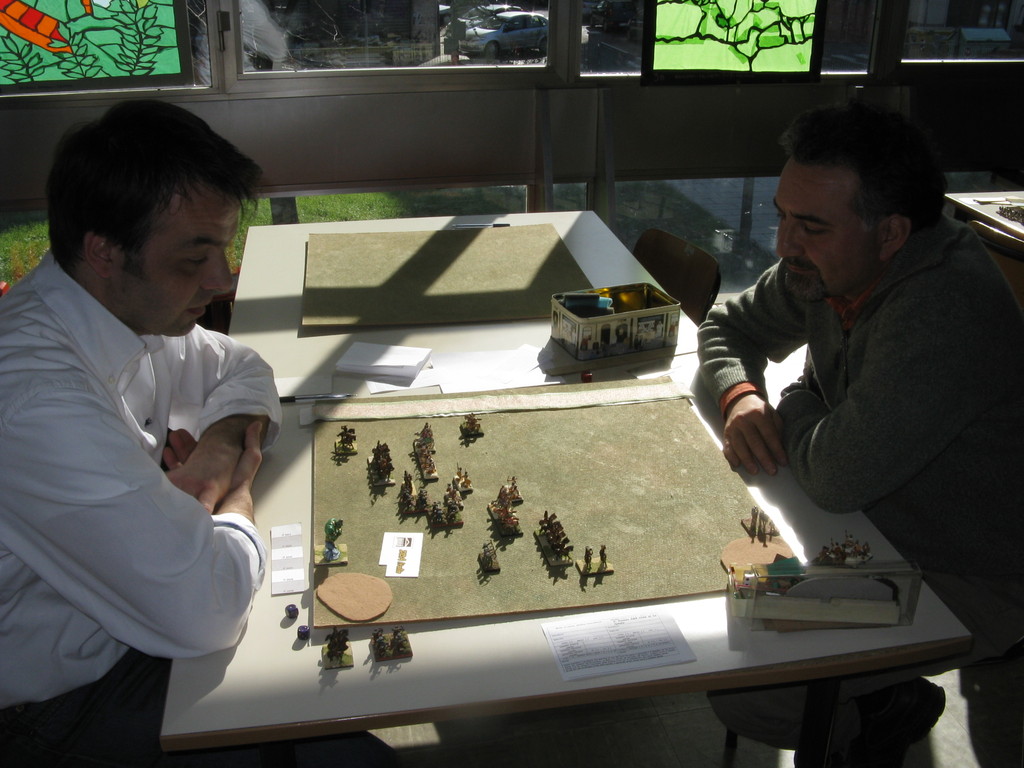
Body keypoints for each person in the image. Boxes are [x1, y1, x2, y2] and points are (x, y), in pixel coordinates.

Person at [0, 100, 395, 767]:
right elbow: (206, 611)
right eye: (194, 258)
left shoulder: (124, 309)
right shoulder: (36, 400)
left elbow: (243, 366)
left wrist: (217, 449)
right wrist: (236, 495)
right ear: (104, 251)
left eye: (224, 248)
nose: (220, 280)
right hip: (58, 701)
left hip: (138, 622)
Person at [697, 100, 1024, 766]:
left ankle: (881, 713)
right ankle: (880, 696)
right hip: (867, 524)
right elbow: (727, 325)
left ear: (892, 232)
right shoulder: (832, 263)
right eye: (783, 216)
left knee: (753, 686)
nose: (785, 245)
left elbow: (836, 476)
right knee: (717, 588)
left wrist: (793, 398)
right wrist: (740, 396)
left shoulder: (943, 309)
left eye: (811, 226)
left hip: (971, 570)